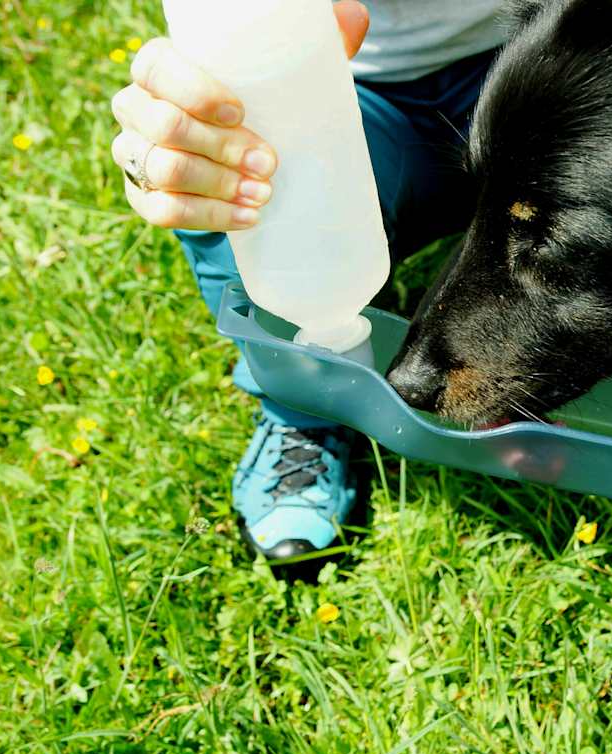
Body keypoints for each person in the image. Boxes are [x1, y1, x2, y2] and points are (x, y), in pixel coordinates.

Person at [110, 1, 505, 559]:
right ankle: (306, 410)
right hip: (344, 88)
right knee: (231, 183)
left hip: (550, 38)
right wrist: (182, 128)